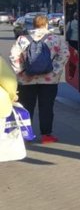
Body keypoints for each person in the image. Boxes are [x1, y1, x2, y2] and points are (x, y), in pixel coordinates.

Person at [9, 14, 69, 144]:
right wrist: (54, 71)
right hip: (49, 80)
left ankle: (26, 135)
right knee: (46, 107)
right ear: (46, 24)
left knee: (26, 107)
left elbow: (13, 56)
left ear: (34, 24)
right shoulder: (55, 39)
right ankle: (46, 135)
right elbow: (64, 54)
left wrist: (21, 72)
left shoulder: (23, 39)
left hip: (27, 80)